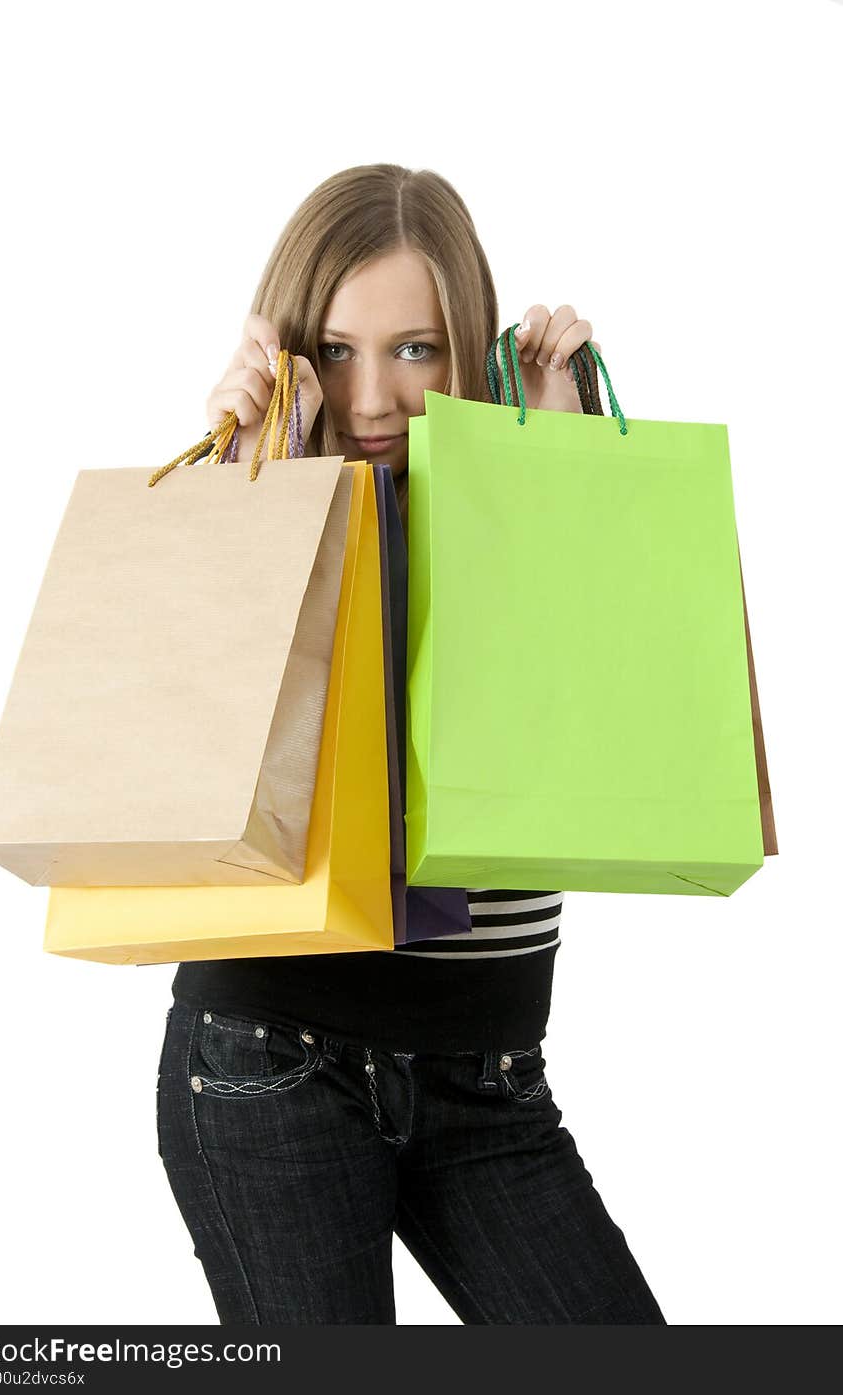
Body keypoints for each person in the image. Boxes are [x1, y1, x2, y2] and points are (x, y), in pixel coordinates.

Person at [157, 163, 666, 1326]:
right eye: (334, 351)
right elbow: (199, 745)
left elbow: (600, 720)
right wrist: (242, 482)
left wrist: (564, 464)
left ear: (472, 343)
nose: (373, 395)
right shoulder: (263, 493)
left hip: (489, 1081)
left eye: (417, 349)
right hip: (269, 1058)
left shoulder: (526, 485)